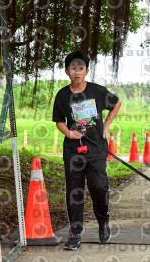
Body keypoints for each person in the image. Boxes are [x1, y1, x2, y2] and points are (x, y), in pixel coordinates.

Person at [52, 51, 122, 250]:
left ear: (86, 71)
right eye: (73, 68)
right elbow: (58, 121)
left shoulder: (97, 91)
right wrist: (69, 133)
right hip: (73, 151)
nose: (77, 72)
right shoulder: (62, 95)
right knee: (75, 192)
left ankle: (103, 221)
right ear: (67, 71)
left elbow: (116, 103)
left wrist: (106, 126)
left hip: (96, 148)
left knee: (99, 186)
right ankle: (75, 233)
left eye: (80, 68)